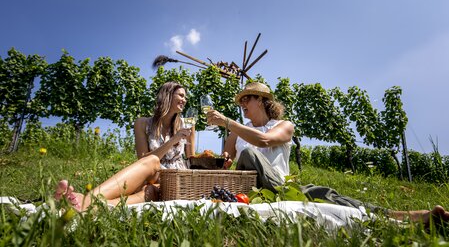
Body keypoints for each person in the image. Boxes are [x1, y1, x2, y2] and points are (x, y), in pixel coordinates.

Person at [206, 81, 449, 227]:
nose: (242, 104)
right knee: (248, 155)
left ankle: (398, 216)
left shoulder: (283, 126)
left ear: (261, 100)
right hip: (250, 192)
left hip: (282, 186)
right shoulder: (234, 136)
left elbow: (265, 140)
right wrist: (225, 161)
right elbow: (223, 168)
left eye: (246, 98)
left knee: (325, 194)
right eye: (241, 101)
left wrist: (228, 122)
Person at [54, 81, 194, 211]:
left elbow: (193, 159)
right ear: (167, 95)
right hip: (152, 172)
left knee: (150, 191)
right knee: (152, 160)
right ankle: (87, 199)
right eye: (181, 95)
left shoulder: (187, 125)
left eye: (185, 97)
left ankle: (88, 205)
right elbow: (143, 159)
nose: (184, 99)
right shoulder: (142, 123)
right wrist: (172, 141)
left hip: (174, 178)